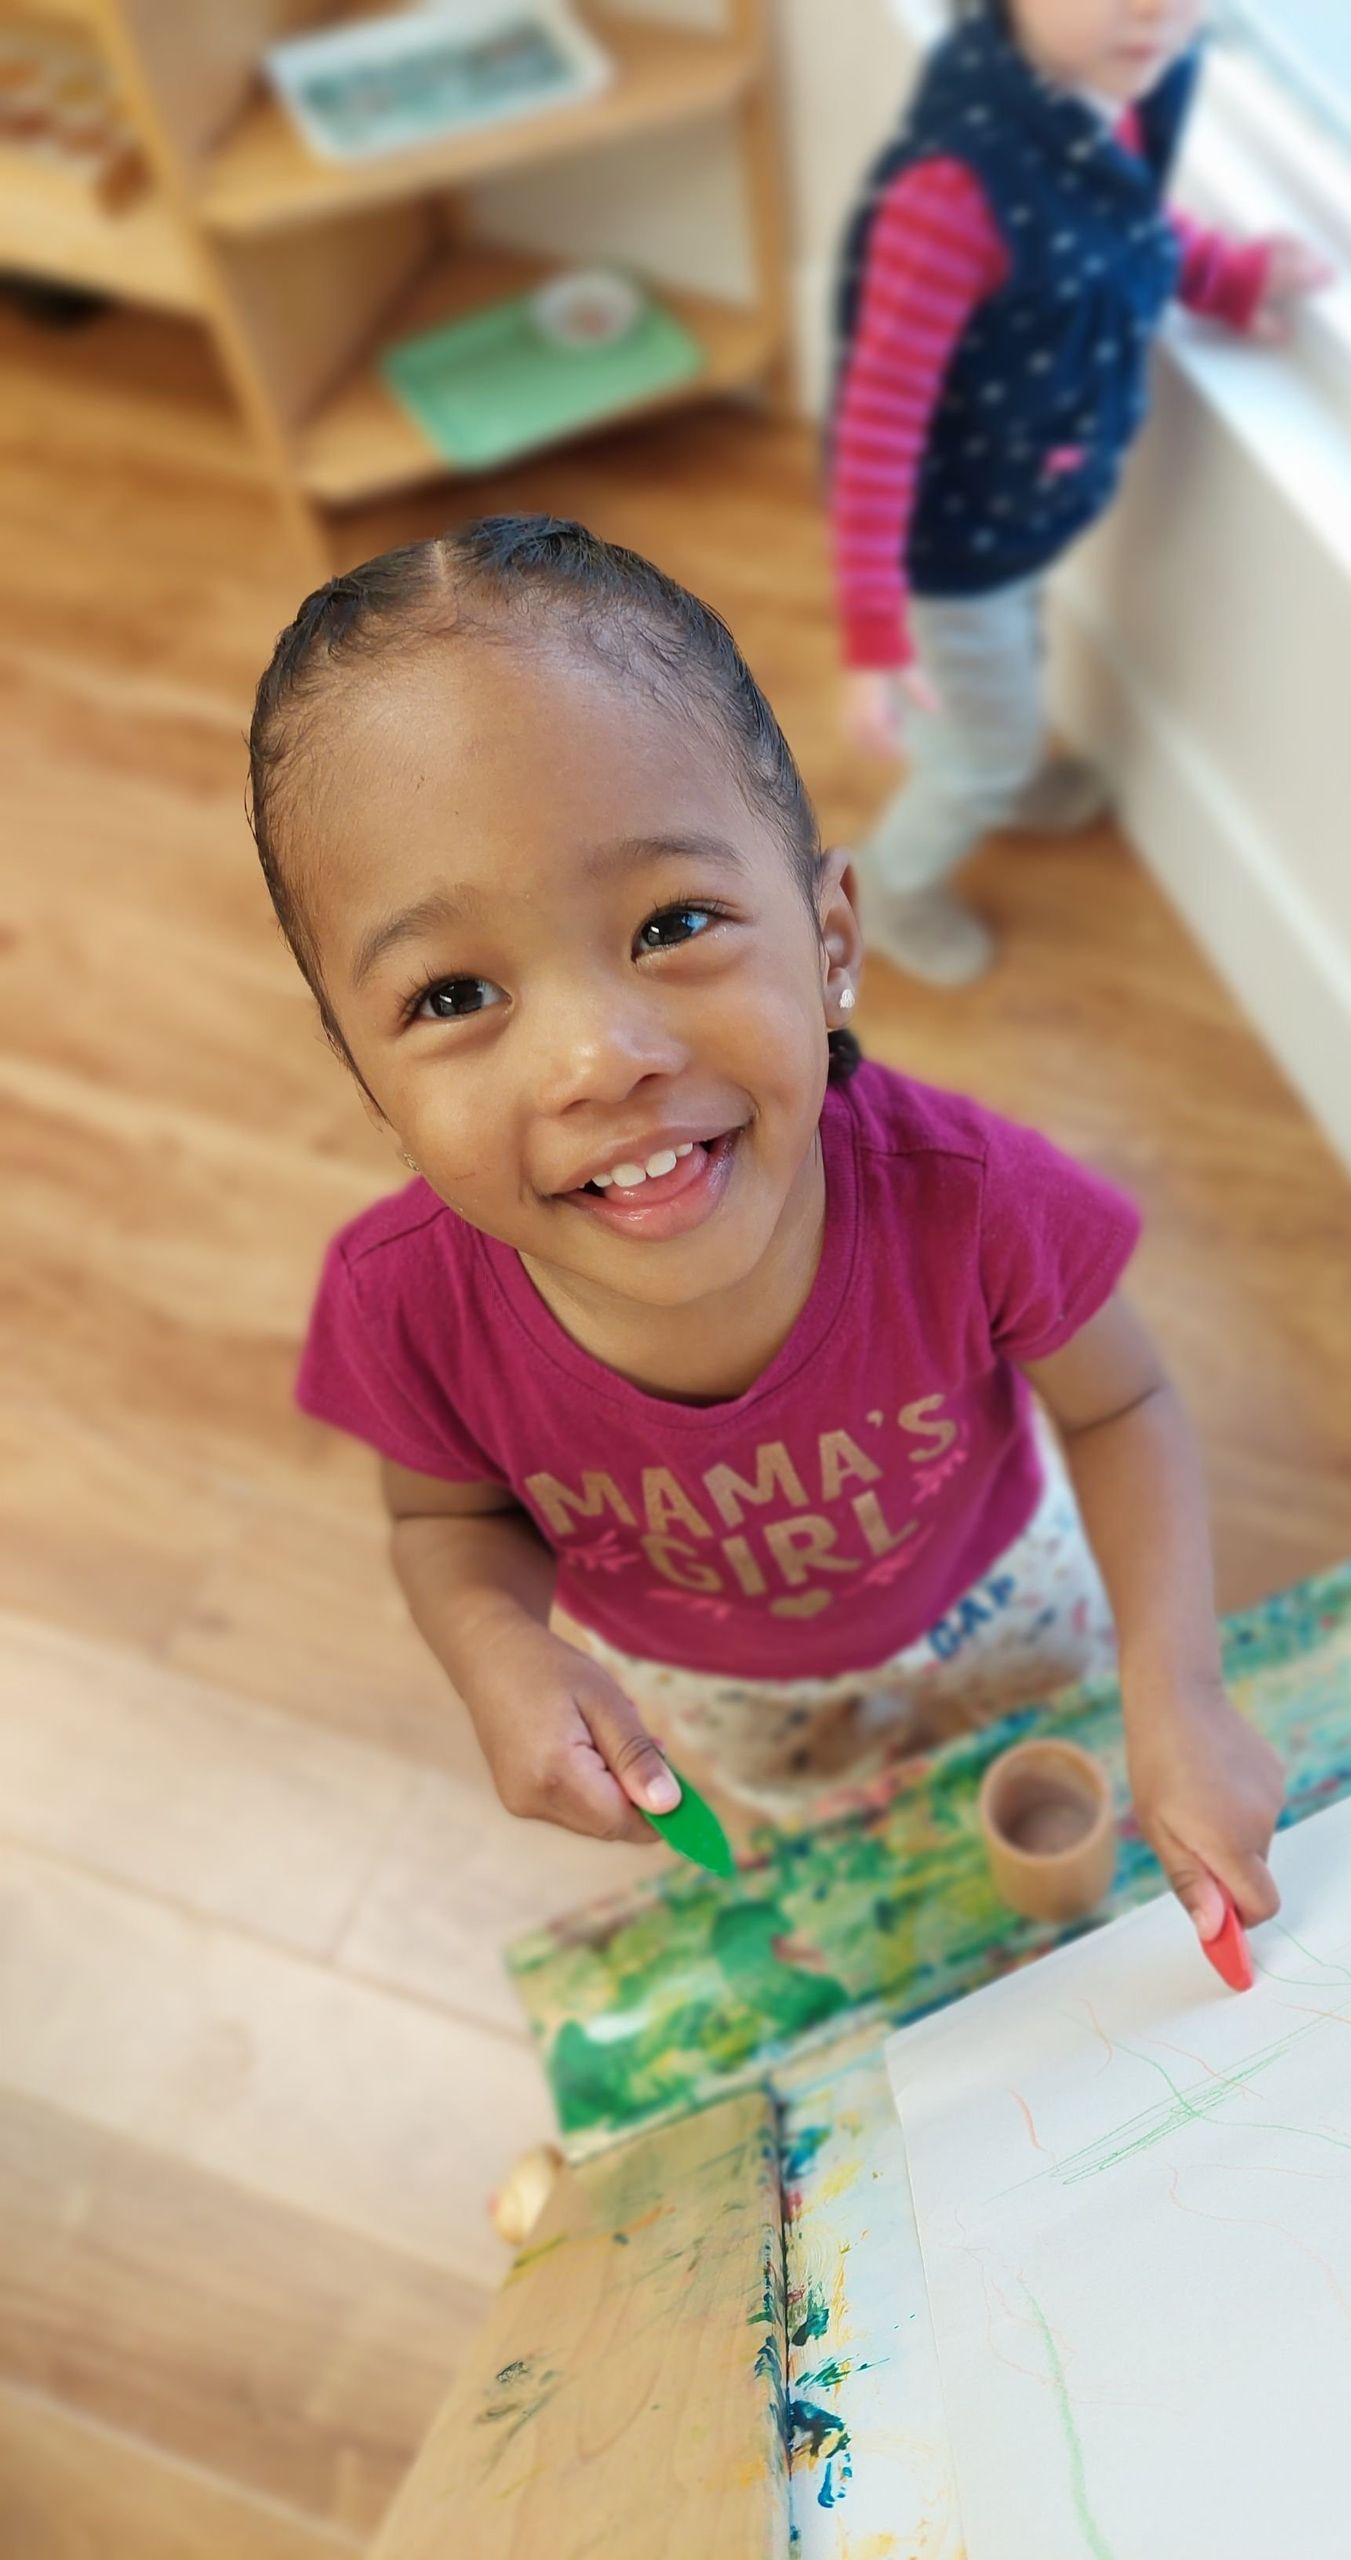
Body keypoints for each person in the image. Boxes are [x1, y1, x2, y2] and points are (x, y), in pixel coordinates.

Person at [248, 513, 1285, 1945]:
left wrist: (1181, 1697)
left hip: (1011, 1609)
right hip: (726, 1709)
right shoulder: (401, 1308)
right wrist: (493, 1648)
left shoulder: (967, 1195)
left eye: (671, 925)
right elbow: (445, 1520)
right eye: (449, 996)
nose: (597, 1060)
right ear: (362, 1073)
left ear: (834, 941)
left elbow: (1127, 1405)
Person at [833, 0, 1332, 983]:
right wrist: (873, 628)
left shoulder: (1108, 100)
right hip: (947, 552)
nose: (1155, 9)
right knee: (984, 733)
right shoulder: (953, 195)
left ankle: (989, 764)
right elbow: (878, 423)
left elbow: (1128, 228)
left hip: (1019, 522)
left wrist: (1229, 277)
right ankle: (893, 881)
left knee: (1010, 655)